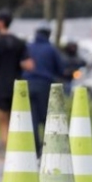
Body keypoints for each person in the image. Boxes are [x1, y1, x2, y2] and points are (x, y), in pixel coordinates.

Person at [0, 11, 34, 146]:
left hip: (0, 86)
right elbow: (29, 65)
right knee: (15, 122)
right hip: (16, 86)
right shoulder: (19, 43)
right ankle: (17, 149)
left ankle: (8, 151)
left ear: (1, 22)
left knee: (3, 123)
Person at [24, 27, 66, 156]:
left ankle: (35, 149)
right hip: (44, 85)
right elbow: (61, 68)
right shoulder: (51, 49)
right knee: (46, 117)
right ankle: (48, 147)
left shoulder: (27, 47)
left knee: (32, 119)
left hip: (27, 85)